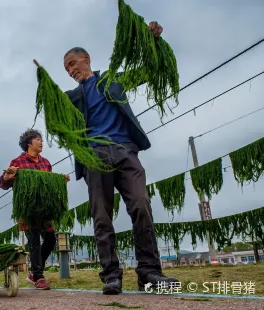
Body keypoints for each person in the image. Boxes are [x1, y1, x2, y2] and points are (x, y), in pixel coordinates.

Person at [61, 21, 179, 294]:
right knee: (101, 216)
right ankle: (111, 275)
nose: (70, 70)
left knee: (141, 205)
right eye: (66, 68)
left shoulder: (112, 80)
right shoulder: (71, 97)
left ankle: (149, 273)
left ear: (86, 59)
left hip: (126, 151)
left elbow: (149, 70)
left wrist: (153, 43)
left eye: (72, 63)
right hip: (94, 157)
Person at [0, 128, 70, 290]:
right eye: (38, 139)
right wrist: (8, 176)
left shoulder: (46, 163)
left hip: (45, 209)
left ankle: (34, 272)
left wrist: (60, 181)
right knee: (34, 241)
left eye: (41, 140)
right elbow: (3, 184)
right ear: (29, 143)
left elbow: (49, 183)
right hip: (28, 210)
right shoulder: (17, 162)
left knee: (51, 239)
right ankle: (38, 276)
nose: (41, 142)